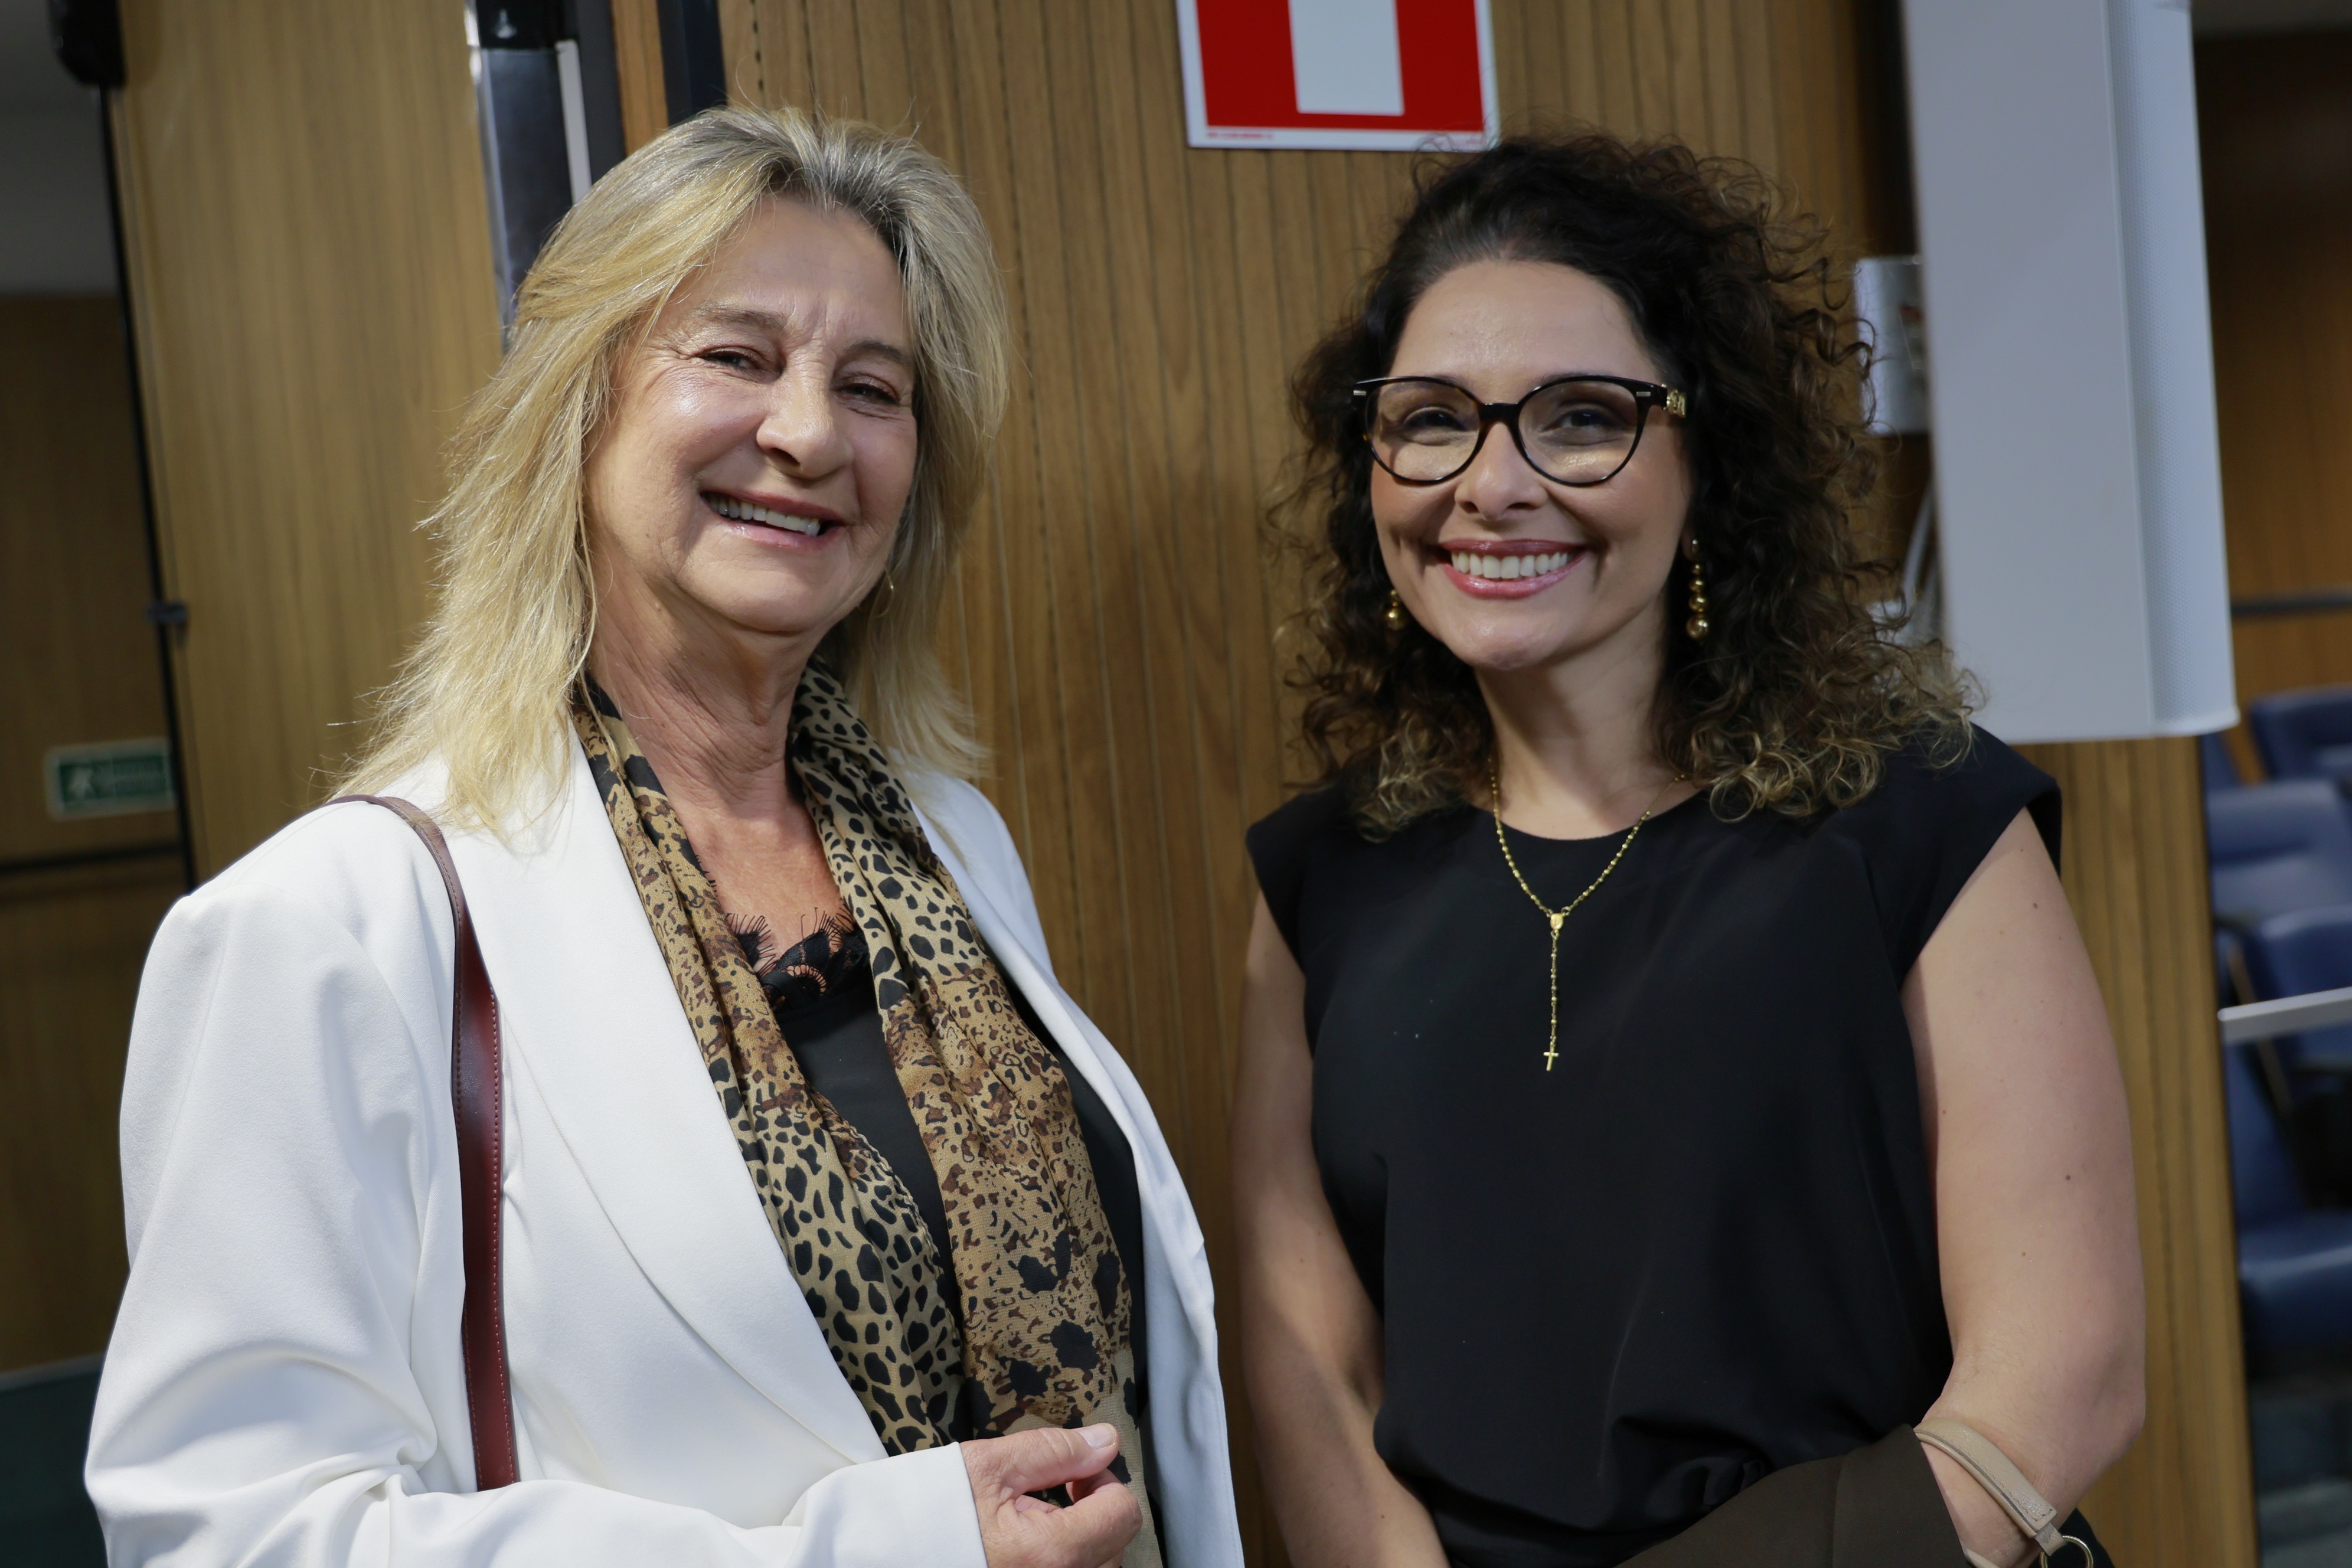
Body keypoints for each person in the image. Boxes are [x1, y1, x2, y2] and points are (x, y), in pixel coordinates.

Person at [88, 107, 1241, 1568]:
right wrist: (878, 1552)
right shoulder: (327, 927)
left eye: (872, 387)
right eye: (737, 357)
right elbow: (227, 1539)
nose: (810, 433)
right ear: (582, 405)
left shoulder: (947, 843)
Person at [1233, 134, 2144, 1568]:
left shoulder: (1918, 821)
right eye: (1431, 419)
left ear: (1705, 459)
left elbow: (2068, 1376)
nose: (1492, 482)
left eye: (1581, 418)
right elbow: (1312, 1378)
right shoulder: (1322, 881)